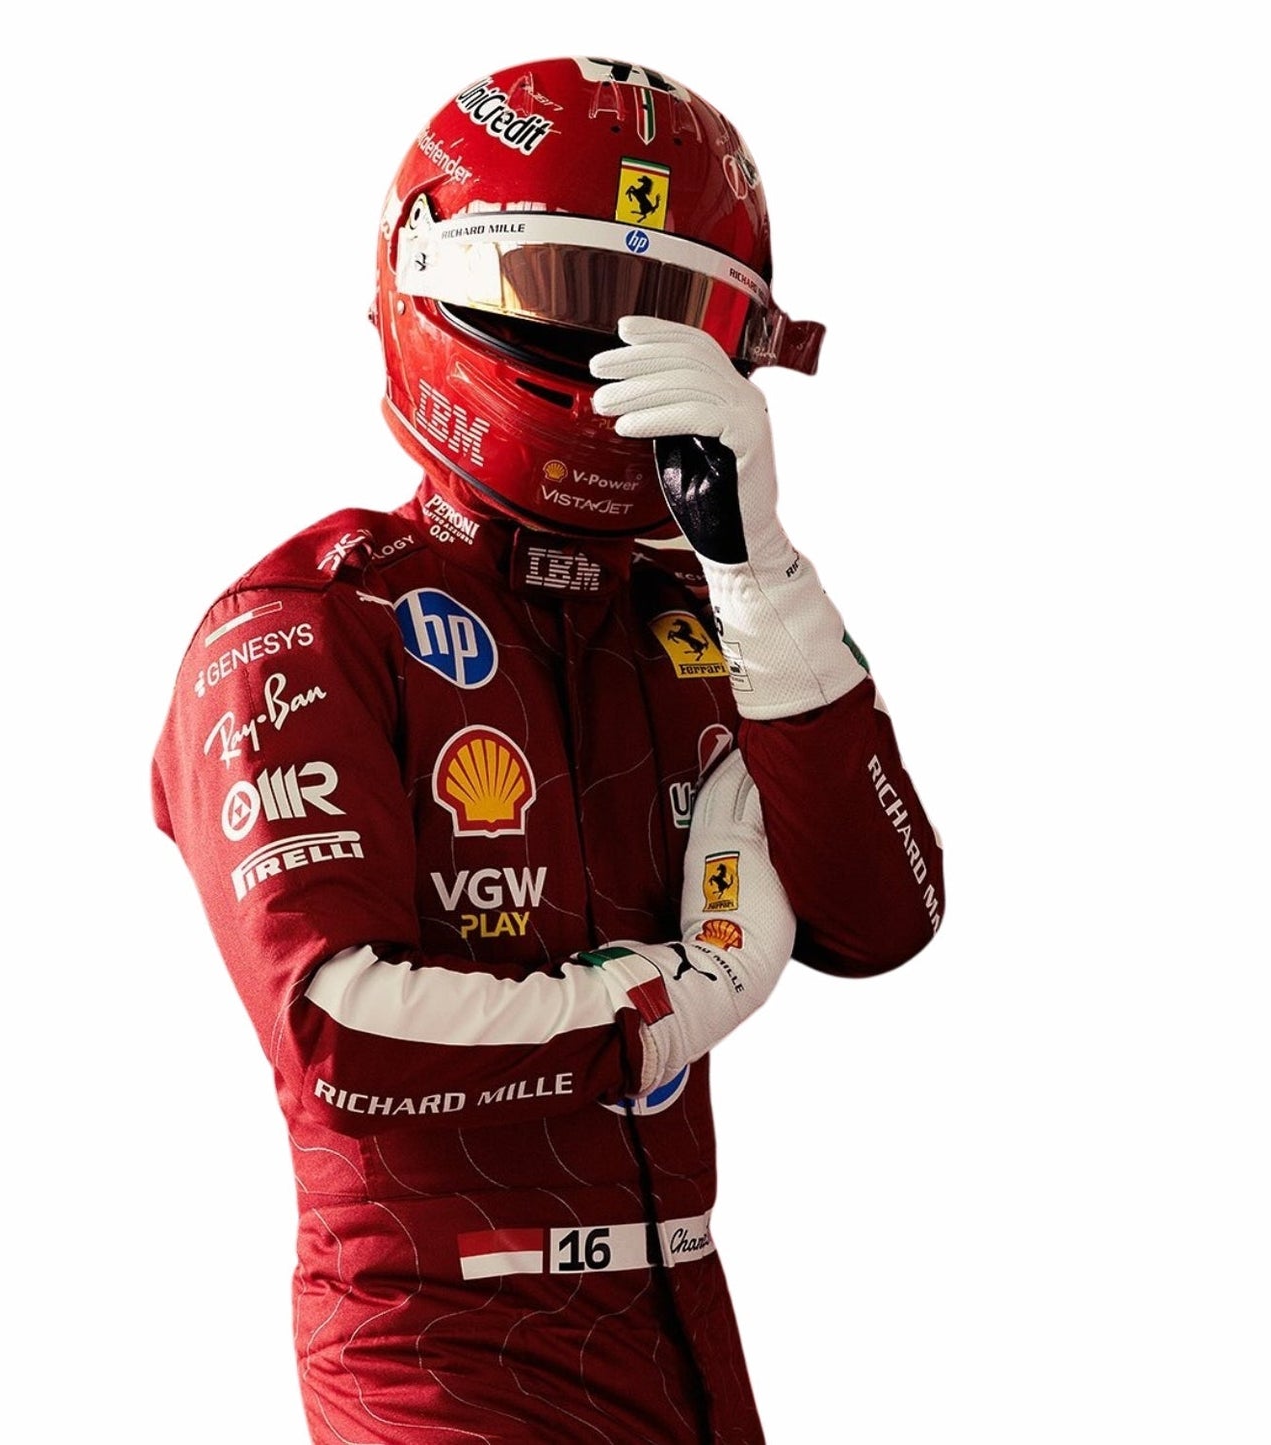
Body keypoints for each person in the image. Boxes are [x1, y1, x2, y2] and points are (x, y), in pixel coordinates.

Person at [151, 54, 944, 1444]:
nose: (617, 361)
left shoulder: (709, 619)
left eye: (674, 317)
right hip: (434, 1345)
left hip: (688, 1323)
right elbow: (334, 1029)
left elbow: (884, 917)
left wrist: (759, 572)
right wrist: (659, 1004)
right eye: (570, 299)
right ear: (433, 275)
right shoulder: (300, 622)